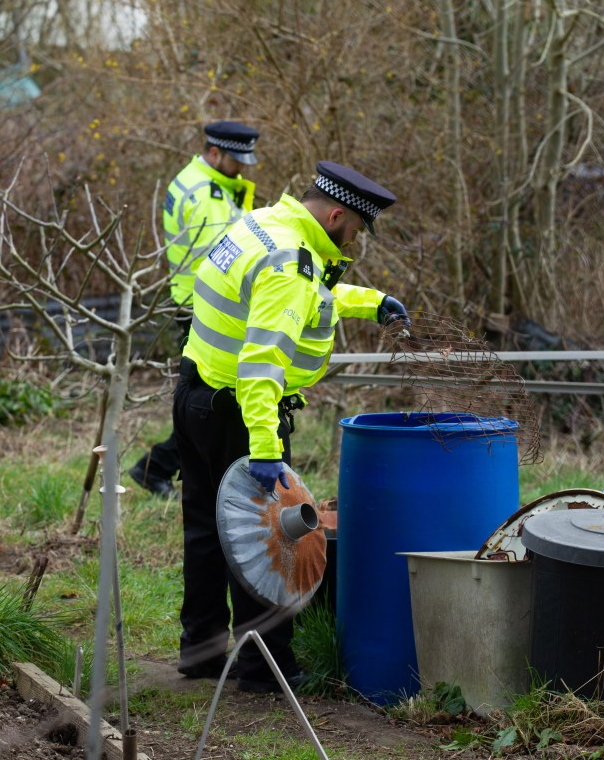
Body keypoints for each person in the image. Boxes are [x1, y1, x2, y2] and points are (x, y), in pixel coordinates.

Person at [173, 159, 410, 692]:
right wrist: (264, 448)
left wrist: (370, 303)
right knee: (268, 536)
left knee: (208, 529)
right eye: (354, 230)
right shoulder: (290, 263)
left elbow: (307, 300)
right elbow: (262, 364)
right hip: (240, 410)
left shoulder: (262, 224)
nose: (353, 244)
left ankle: (201, 650)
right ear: (334, 215)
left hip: (195, 392)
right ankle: (265, 669)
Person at [129, 120, 261, 498]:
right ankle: (159, 468)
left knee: (201, 398)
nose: (242, 168)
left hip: (191, 302)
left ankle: (158, 467)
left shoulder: (197, 179)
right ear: (215, 153)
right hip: (209, 307)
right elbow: (224, 258)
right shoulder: (208, 196)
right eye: (236, 161)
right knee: (210, 401)